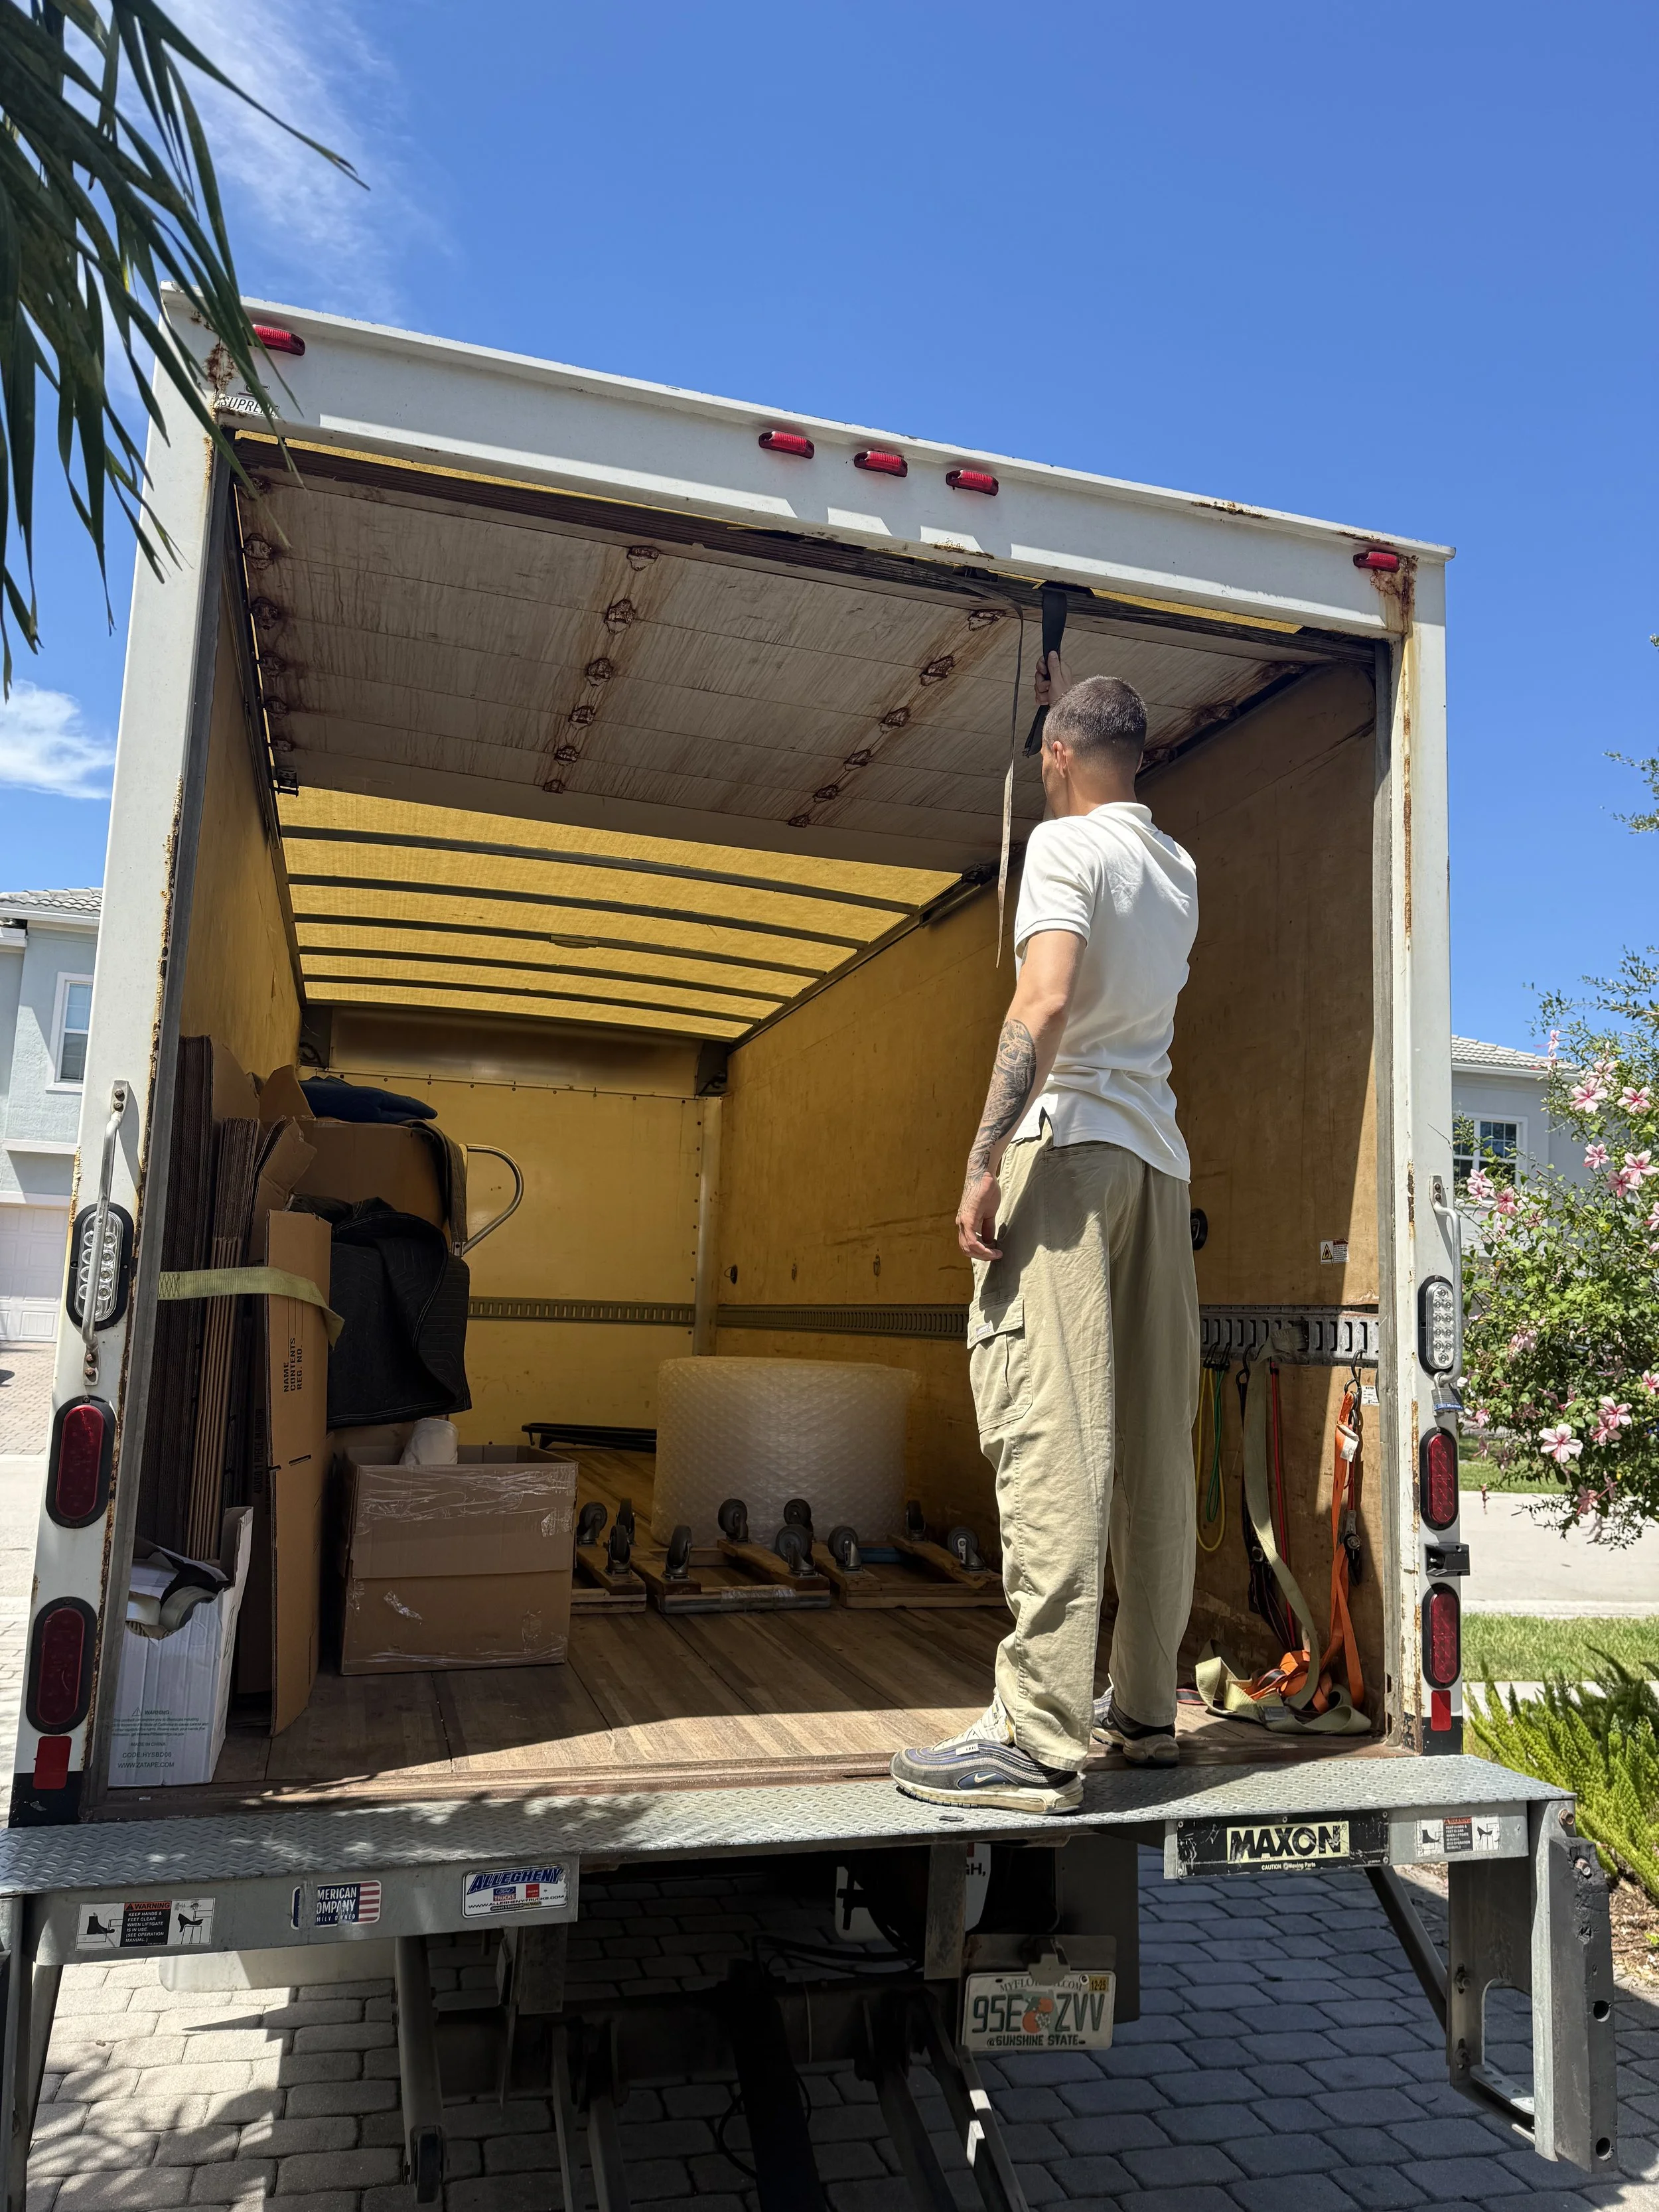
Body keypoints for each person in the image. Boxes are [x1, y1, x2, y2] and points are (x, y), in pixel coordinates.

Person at [891, 654, 1201, 1814]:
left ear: (1057, 758)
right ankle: (1147, 1709)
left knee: (1052, 1431)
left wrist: (981, 1160)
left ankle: (1035, 1735)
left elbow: (1047, 1000)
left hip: (1066, 1150)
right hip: (1158, 1162)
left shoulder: (1064, 847)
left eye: (1046, 754)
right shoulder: (1175, 866)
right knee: (1151, 1448)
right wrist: (1067, 698)